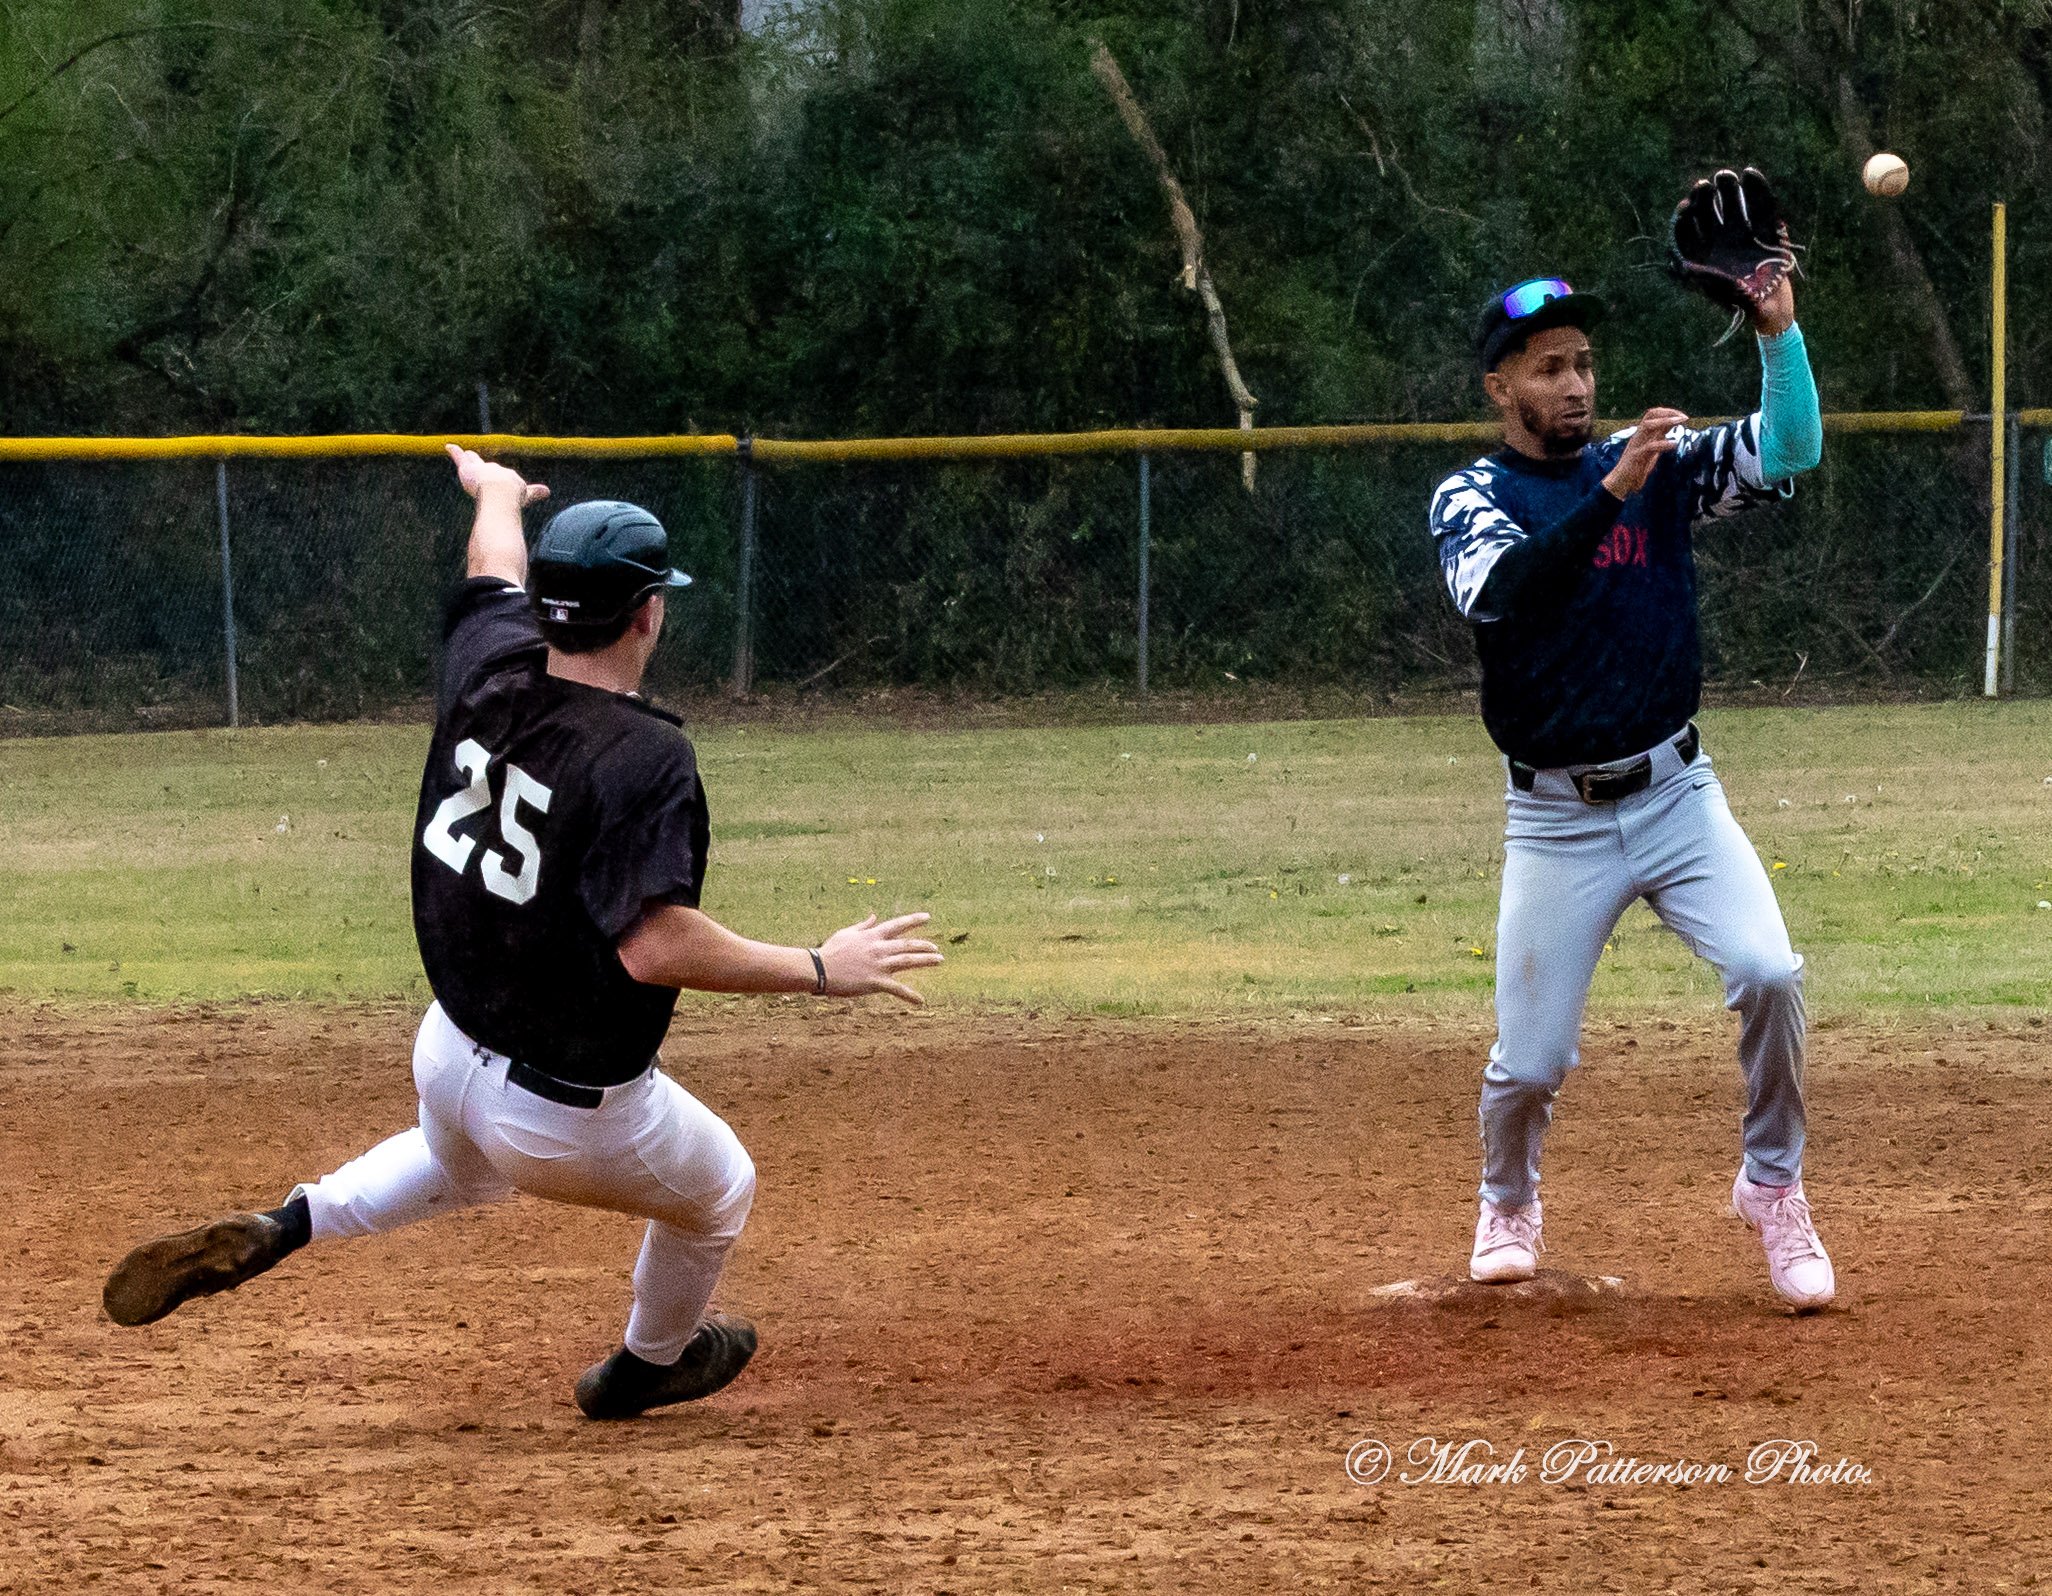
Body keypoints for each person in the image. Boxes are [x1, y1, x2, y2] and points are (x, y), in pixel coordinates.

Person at [104, 445, 944, 1415]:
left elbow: (488, 567)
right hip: (567, 1116)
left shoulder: (487, 662)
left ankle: (292, 1222)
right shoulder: (644, 756)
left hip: (448, 1052)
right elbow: (655, 943)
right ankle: (648, 1365)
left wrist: (496, 492)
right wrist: (820, 967)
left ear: (547, 603)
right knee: (719, 1190)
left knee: (463, 1165)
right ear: (648, 612)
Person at [1428, 271, 1834, 1309]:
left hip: (1676, 794)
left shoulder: (1649, 465)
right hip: (1556, 820)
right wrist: (1612, 490)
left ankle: (1773, 1189)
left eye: (1584, 363)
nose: (1576, 384)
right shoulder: (1473, 497)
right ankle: (1508, 1201)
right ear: (1499, 387)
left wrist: (1777, 339)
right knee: (1529, 1062)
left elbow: (1789, 449)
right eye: (1549, 367)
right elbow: (1504, 594)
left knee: (1771, 971)